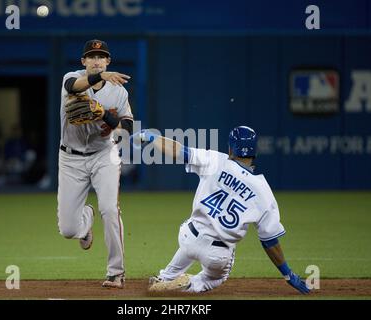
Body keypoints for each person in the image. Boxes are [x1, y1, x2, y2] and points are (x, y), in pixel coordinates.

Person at [131, 126, 311, 294]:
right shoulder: (264, 192)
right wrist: (288, 274)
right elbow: (269, 241)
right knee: (216, 278)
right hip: (217, 255)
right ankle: (190, 284)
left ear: (231, 149)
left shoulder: (216, 160)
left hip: (188, 236)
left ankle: (165, 277)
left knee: (192, 240)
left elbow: (179, 151)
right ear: (255, 152)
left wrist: (151, 136)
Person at [57, 39, 133, 289]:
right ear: (83, 62)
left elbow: (127, 128)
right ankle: (85, 219)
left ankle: (116, 272)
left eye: (101, 56)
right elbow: (72, 86)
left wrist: (105, 115)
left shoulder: (119, 91)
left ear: (108, 60)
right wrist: (100, 77)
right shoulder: (72, 78)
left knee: (110, 209)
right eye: (91, 56)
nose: (96, 60)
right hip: (70, 158)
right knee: (68, 230)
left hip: (104, 155)